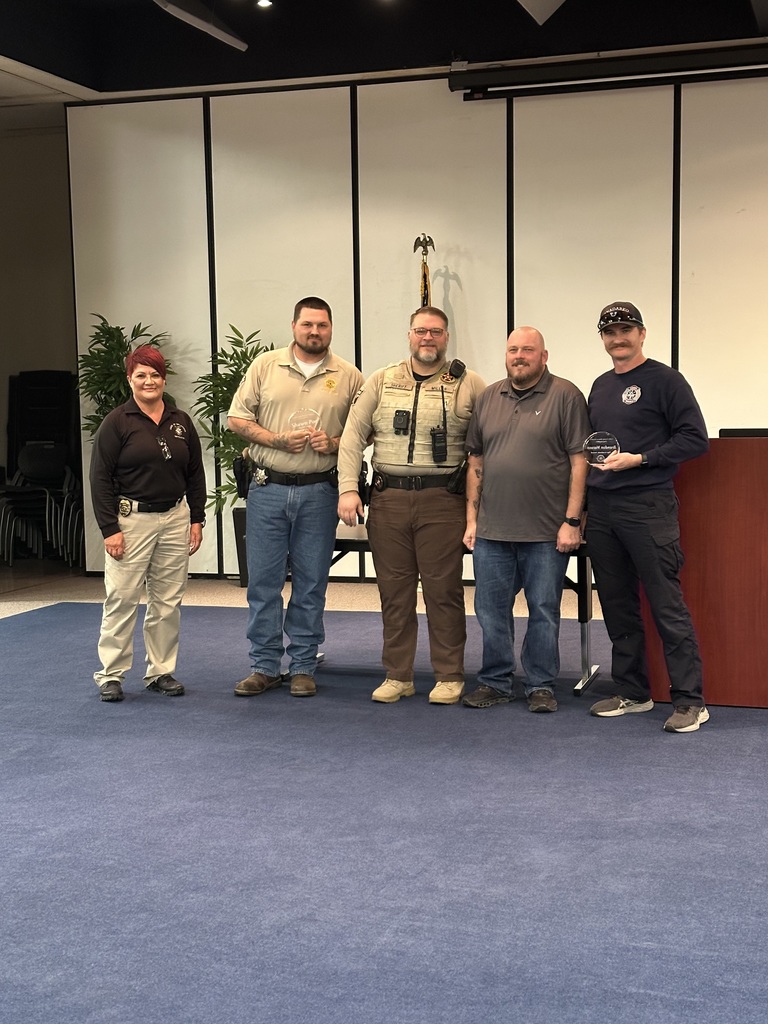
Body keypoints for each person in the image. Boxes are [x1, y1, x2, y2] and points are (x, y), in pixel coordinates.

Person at [337, 305, 485, 705]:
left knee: (444, 591)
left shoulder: (469, 383)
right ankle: (398, 674)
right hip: (389, 500)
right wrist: (348, 488)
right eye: (421, 331)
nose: (428, 338)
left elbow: (485, 448)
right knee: (394, 591)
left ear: (446, 337)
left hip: (443, 501)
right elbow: (352, 437)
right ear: (409, 335)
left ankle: (450, 675)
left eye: (436, 332)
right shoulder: (382, 380)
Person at [227, 297, 364, 698]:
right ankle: (264, 666)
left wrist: (335, 442)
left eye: (322, 325)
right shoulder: (265, 366)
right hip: (267, 488)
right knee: (264, 583)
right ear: (293, 326)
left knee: (311, 582)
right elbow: (237, 419)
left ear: (331, 328)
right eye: (307, 325)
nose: (314, 332)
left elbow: (365, 433)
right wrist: (276, 440)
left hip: (319, 491)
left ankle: (303, 664)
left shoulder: (350, 376)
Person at [586, 301, 710, 732]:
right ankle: (632, 692)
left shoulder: (665, 380)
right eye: (609, 332)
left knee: (665, 604)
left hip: (648, 505)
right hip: (602, 510)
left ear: (642, 333)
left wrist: (641, 459)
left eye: (625, 329)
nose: (618, 338)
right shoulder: (600, 386)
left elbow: (695, 439)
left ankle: (691, 701)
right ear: (602, 339)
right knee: (618, 606)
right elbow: (590, 451)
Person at [461, 327, 591, 712]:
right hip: (492, 530)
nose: (519, 355)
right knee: (489, 609)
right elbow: (476, 463)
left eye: (528, 350)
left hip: (546, 531)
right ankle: (496, 681)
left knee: (544, 609)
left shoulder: (565, 395)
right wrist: (472, 520)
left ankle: (540, 685)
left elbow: (579, 462)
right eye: (513, 349)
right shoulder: (488, 397)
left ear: (544, 356)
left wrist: (573, 520)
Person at [90, 345, 206, 702]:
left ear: (164, 379)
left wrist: (197, 519)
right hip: (131, 521)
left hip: (175, 518)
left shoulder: (180, 421)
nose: (149, 381)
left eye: (155, 374)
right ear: (130, 379)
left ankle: (160, 672)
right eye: (141, 374)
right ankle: (111, 674)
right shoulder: (117, 422)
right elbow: (99, 479)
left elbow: (194, 473)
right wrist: (110, 529)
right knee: (122, 598)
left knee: (167, 601)